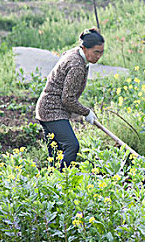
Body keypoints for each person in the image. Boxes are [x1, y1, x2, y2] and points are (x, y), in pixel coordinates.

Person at [35, 27, 105, 170]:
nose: (98, 56)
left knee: (56, 153)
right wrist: (86, 112)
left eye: (101, 52)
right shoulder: (77, 66)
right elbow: (67, 99)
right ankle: (62, 179)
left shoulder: (76, 53)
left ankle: (52, 183)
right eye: (96, 52)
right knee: (72, 146)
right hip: (52, 110)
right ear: (84, 48)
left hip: (44, 107)